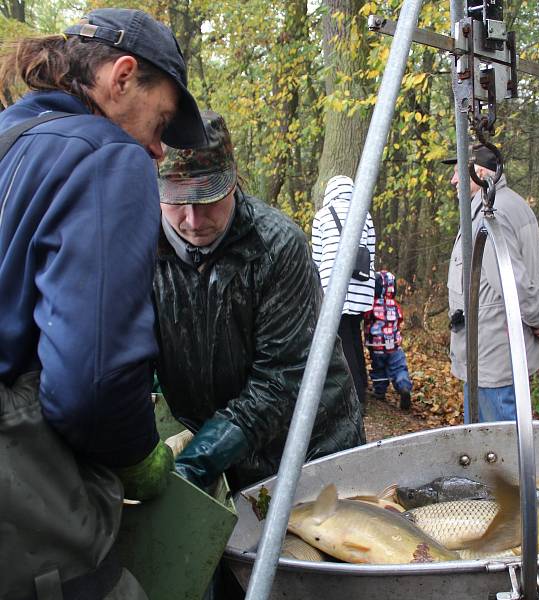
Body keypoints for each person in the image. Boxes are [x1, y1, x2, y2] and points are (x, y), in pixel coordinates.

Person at [0, 8, 206, 599]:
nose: (160, 151)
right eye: (162, 122)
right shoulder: (103, 156)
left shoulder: (13, 142)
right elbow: (92, 381)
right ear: (121, 78)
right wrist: (136, 454)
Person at [154, 111, 365, 494]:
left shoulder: (277, 246)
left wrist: (198, 461)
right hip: (222, 455)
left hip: (311, 449)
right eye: (177, 201)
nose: (193, 219)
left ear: (232, 181)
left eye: (207, 199)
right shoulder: (139, 245)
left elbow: (281, 377)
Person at [444, 145, 539, 423]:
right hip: (502, 351)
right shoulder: (516, 204)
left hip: (492, 354)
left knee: (496, 449)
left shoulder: (490, 214)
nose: (453, 181)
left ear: (480, 173)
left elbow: (513, 283)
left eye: (457, 173)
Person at [311, 175, 376, 408]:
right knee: (354, 337)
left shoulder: (322, 216)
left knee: (341, 341)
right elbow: (371, 256)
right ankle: (362, 389)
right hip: (360, 289)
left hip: (333, 289)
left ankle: (354, 397)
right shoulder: (365, 216)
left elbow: (316, 259)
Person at [364, 270, 413, 410]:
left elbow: (366, 318)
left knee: (378, 368)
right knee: (399, 367)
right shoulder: (396, 306)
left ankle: (380, 391)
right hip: (394, 345)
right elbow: (400, 319)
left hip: (377, 346)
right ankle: (403, 386)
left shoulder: (371, 305)